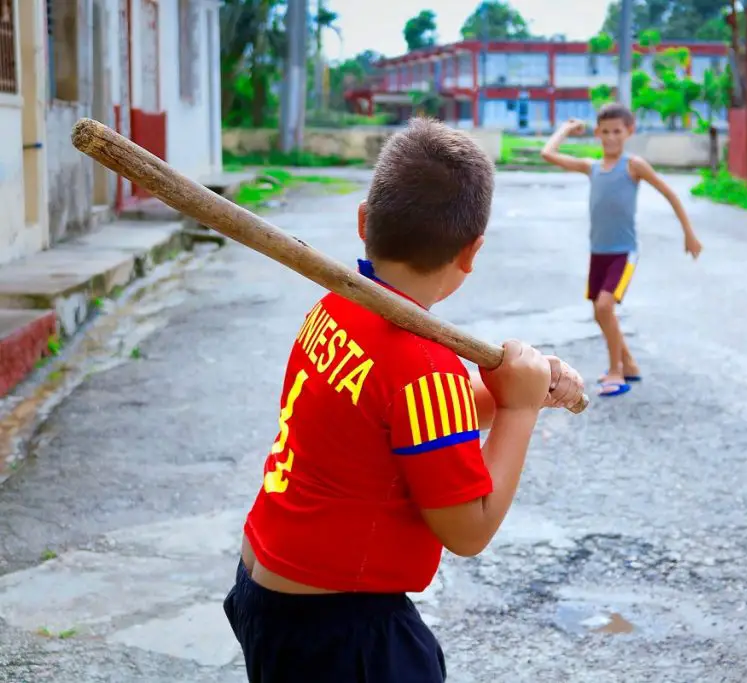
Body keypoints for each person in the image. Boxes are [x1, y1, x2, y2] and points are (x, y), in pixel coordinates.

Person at [223, 118, 585, 683]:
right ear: (472, 252)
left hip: (266, 591)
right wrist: (516, 412)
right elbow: (469, 531)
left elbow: (409, 416)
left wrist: (516, 390)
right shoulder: (424, 366)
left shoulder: (335, 309)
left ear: (364, 220)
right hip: (340, 629)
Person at [541, 102, 703, 397]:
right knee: (601, 313)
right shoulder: (592, 168)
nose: (611, 137)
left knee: (605, 308)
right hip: (598, 251)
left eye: (617, 131)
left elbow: (670, 194)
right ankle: (629, 363)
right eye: (605, 132)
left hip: (623, 252)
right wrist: (565, 129)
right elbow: (547, 154)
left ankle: (615, 370)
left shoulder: (633, 165)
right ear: (597, 133)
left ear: (629, 131)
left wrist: (689, 234)